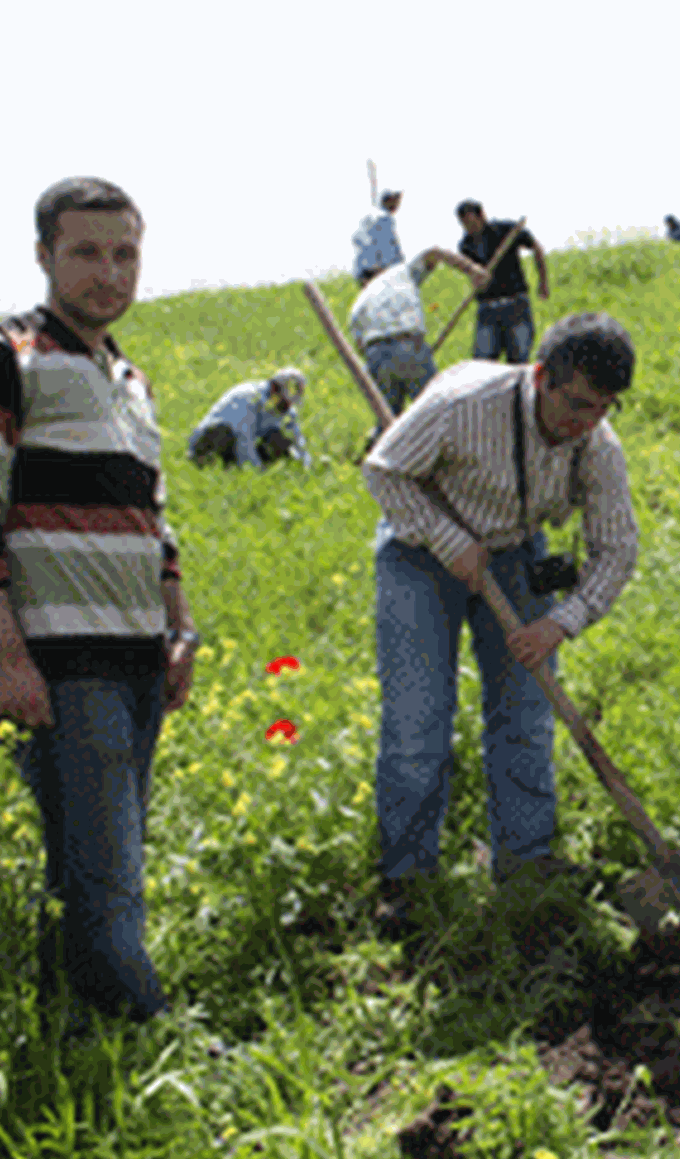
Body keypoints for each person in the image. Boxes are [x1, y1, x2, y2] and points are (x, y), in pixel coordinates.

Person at [0, 177, 198, 1037]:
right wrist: (5, 654)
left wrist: (179, 626)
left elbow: (152, 518)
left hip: (135, 654)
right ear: (44, 256)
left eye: (125, 253)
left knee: (95, 857)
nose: (108, 272)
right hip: (56, 657)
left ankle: (76, 1027)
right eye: (85, 251)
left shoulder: (131, 378)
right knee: (107, 865)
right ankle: (146, 1033)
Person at [362, 312, 639, 936]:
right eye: (576, 404)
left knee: (524, 712)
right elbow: (383, 470)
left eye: (603, 408)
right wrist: (443, 538)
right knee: (418, 719)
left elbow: (617, 549)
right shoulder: (464, 402)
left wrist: (560, 624)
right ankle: (407, 878)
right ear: (541, 376)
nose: (586, 422)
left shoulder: (596, 444)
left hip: (515, 553)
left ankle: (525, 859)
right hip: (420, 550)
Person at [350, 246, 490, 437]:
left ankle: (382, 453)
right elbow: (434, 252)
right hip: (407, 342)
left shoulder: (358, 303)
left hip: (374, 353)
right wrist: (472, 270)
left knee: (389, 421)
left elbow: (360, 347)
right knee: (435, 411)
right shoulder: (398, 272)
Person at [455, 200, 550, 364]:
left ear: (481, 216)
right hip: (487, 308)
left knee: (518, 360)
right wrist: (479, 282)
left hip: (515, 304)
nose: (468, 228)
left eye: (470, 222)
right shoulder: (465, 246)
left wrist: (543, 282)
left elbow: (536, 248)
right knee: (483, 362)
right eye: (463, 224)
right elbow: (473, 276)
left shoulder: (506, 230)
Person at [187, 368, 311, 470]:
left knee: (278, 438)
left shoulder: (285, 409)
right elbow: (243, 438)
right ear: (274, 388)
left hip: (240, 446)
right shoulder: (248, 396)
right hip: (214, 438)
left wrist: (305, 465)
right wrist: (258, 470)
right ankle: (204, 462)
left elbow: (297, 439)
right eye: (283, 403)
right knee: (223, 433)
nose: (285, 408)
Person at [352, 188, 405, 282]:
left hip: (362, 271)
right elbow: (386, 248)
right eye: (396, 199)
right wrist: (400, 267)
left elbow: (356, 239)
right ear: (388, 200)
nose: (398, 204)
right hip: (375, 271)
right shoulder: (385, 219)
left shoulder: (368, 218)